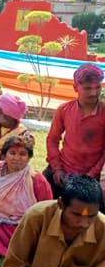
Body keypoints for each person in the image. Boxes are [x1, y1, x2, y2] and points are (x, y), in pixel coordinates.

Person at [0, 175, 105, 267]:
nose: (84, 223)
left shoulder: (102, 230)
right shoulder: (36, 217)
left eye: (91, 216)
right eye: (76, 215)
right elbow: (14, 266)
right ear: (61, 204)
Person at [0, 136, 52, 257]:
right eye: (12, 153)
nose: (17, 158)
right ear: (4, 155)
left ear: (29, 158)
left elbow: (46, 211)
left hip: (21, 225)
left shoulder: (37, 180)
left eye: (22, 154)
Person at [45, 63, 105, 199]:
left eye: (98, 87)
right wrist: (57, 169)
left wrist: (91, 176)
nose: (94, 93)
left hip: (93, 175)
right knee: (41, 200)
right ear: (75, 88)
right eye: (87, 88)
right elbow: (52, 140)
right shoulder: (64, 109)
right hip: (63, 171)